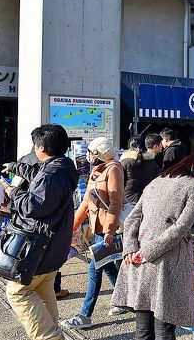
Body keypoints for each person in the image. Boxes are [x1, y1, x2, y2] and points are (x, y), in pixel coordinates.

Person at [110, 153, 194, 340]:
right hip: (167, 262)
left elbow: (133, 217)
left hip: (139, 261)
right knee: (164, 330)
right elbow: (181, 227)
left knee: (142, 329)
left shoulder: (156, 181)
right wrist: (148, 252)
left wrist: (131, 249)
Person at [1, 124, 77, 340]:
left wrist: (12, 190)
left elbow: (32, 206)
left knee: (17, 292)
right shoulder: (64, 165)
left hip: (41, 246)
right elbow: (37, 174)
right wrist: (15, 166)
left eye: (35, 146)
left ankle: (50, 336)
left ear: (41, 147)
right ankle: (53, 331)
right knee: (44, 292)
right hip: (55, 245)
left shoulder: (51, 173)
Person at [62, 137, 125, 329]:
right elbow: (86, 204)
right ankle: (123, 299)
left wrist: (110, 230)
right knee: (107, 267)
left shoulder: (113, 169)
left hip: (107, 230)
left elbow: (116, 201)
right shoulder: (96, 171)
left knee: (94, 270)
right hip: (98, 229)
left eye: (90, 151)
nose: (87, 155)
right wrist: (72, 227)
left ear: (97, 153)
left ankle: (85, 315)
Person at [120, 135, 159, 204]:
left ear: (130, 147)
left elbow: (119, 183)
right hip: (147, 199)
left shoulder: (125, 162)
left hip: (127, 201)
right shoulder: (152, 162)